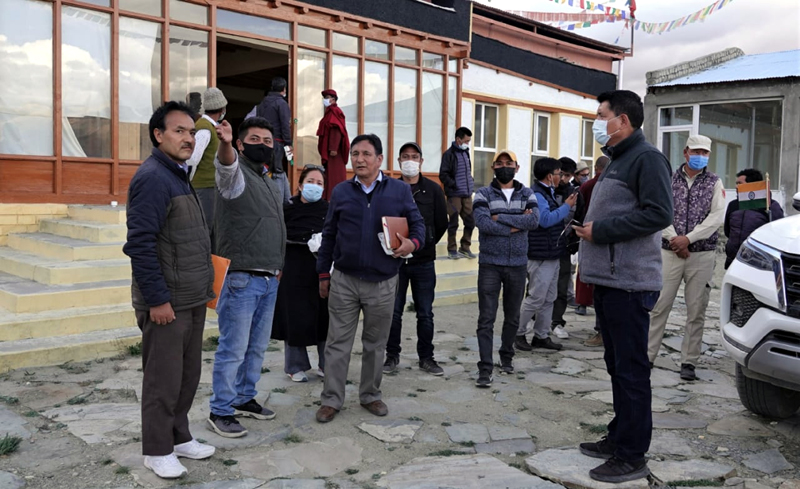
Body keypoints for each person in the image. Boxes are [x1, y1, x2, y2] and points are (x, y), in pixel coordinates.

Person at [574, 90, 673, 483]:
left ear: (623, 121)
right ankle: (619, 436)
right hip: (608, 281)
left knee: (632, 371)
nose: (598, 122)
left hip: (631, 283)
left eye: (602, 115)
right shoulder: (619, 160)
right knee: (617, 367)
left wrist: (603, 231)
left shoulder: (646, 158)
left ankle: (633, 455)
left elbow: (659, 213)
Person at [123, 101, 216, 479]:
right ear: (158, 135)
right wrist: (158, 299)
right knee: (163, 380)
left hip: (191, 297)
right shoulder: (152, 178)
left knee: (187, 375)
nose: (188, 138)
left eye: (192, 132)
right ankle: (157, 449)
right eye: (179, 130)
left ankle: (179, 438)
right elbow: (140, 244)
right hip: (167, 302)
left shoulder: (179, 174)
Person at [315, 134, 425, 423]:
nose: (359, 159)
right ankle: (331, 400)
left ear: (379, 159)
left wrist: (411, 244)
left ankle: (370, 396)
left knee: (375, 344)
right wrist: (323, 273)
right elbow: (329, 234)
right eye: (354, 153)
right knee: (337, 342)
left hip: (383, 281)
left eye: (366, 154)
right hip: (344, 280)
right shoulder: (340, 191)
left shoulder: (399, 190)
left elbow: (418, 226)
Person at [208, 117, 286, 438]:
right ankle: (220, 409)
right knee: (233, 348)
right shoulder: (235, 175)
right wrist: (225, 143)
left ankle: (243, 397)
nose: (263, 145)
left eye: (268, 141)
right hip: (241, 277)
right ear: (241, 144)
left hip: (269, 278)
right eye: (255, 139)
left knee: (256, 347)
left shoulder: (268, 179)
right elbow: (226, 166)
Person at [647, 135, 726, 381]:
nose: (700, 156)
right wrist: (675, 239)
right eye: (696, 151)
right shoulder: (667, 179)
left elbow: (716, 217)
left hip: (700, 255)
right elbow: (657, 210)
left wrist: (688, 239)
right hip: (668, 252)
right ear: (685, 152)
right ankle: (647, 356)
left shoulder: (714, 182)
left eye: (705, 152)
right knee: (659, 306)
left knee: (696, 310)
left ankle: (689, 362)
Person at [473, 150, 539, 388]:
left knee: (512, 317)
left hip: (518, 265)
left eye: (508, 163)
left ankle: (506, 356)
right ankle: (485, 368)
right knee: (486, 318)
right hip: (490, 264)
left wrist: (498, 217)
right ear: (493, 167)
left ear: (517, 167)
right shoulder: (483, 193)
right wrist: (514, 225)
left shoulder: (528, 193)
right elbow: (481, 222)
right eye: (499, 163)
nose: (504, 167)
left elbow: (534, 221)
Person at [384, 142, 449, 376]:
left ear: (421, 161)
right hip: (396, 262)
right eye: (405, 156)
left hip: (423, 261)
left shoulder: (433, 190)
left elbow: (442, 222)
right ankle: (391, 356)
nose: (410, 160)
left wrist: (425, 242)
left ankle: (426, 357)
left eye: (414, 156)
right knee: (393, 311)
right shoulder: (390, 188)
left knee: (425, 313)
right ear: (399, 161)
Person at [272, 165, 329, 383]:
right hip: (293, 268)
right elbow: (278, 237)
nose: (315, 186)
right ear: (300, 185)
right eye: (311, 181)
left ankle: (326, 364)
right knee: (294, 316)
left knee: (325, 317)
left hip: (321, 268)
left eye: (320, 183)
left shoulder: (329, 210)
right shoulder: (286, 209)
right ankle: (295, 366)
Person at [514, 157, 576, 353]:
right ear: (550, 176)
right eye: (559, 174)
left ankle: (541, 335)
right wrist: (566, 206)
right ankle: (518, 332)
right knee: (536, 297)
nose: (561, 178)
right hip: (540, 254)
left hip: (552, 252)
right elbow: (545, 220)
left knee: (549, 297)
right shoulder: (537, 195)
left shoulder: (547, 193)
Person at [186, 87, 227, 246]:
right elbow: (193, 158)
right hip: (204, 187)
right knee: (205, 229)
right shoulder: (204, 128)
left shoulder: (211, 127)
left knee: (211, 230)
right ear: (222, 108)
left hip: (210, 187)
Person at [551, 157, 585, 339]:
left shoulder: (574, 193)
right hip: (544, 246)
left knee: (562, 286)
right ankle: (533, 318)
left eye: (568, 176)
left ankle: (556, 321)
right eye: (561, 174)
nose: (563, 179)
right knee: (537, 285)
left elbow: (579, 217)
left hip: (564, 246)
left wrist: (573, 240)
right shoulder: (545, 191)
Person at [724, 168, 784, 269]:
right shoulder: (733, 205)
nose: (736, 186)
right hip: (733, 260)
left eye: (739, 183)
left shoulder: (770, 206)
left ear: (751, 185)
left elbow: (778, 233)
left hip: (758, 263)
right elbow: (727, 231)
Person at [578, 156, 609, 347]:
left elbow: (579, 212)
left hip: (590, 237)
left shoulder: (588, 186)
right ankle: (606, 331)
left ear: (596, 168)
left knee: (599, 290)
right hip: (611, 238)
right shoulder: (596, 185)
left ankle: (601, 332)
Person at [439, 127, 477, 260]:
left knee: (471, 221)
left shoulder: (466, 153)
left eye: (469, 141)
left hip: (467, 195)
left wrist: (471, 182)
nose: (468, 143)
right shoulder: (448, 154)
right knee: (453, 222)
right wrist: (454, 184)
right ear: (458, 139)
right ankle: (452, 249)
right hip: (454, 195)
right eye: (466, 140)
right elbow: (443, 174)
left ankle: (465, 247)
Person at [246, 77, 292, 174]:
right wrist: (288, 143)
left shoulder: (262, 104)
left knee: (263, 169)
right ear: (284, 89)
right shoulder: (282, 103)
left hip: (261, 141)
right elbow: (285, 124)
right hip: (276, 141)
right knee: (276, 171)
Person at [317, 89, 350, 200]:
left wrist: (333, 147)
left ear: (333, 99)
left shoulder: (335, 111)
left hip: (334, 153)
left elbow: (337, 129)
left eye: (327, 97)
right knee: (329, 177)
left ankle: (333, 199)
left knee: (334, 177)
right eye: (324, 98)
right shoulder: (329, 112)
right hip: (329, 152)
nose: (325, 100)